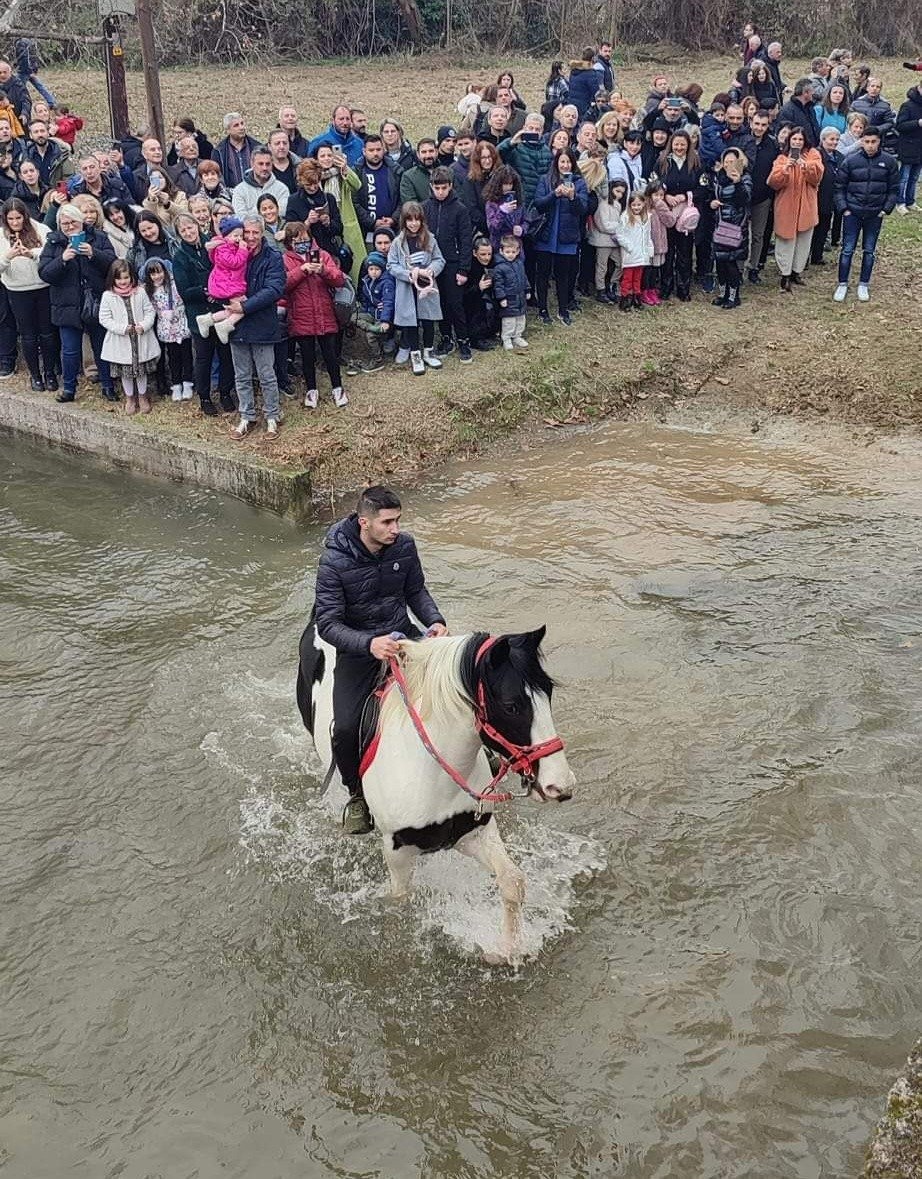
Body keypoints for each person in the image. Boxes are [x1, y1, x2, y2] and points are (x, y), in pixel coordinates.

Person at [311, 484, 447, 834]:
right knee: (343, 728)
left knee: (456, 682)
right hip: (359, 650)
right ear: (364, 523)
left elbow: (416, 590)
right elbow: (327, 623)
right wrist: (369, 643)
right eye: (387, 522)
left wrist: (435, 621)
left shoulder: (405, 546)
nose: (395, 529)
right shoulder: (333, 562)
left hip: (403, 636)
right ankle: (356, 796)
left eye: (398, 520)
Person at [38, 201, 117, 403]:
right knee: (70, 350)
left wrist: (93, 254)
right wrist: (62, 260)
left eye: (73, 222)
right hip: (67, 305)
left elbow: (113, 264)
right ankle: (69, 389)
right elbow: (45, 273)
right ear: (59, 225)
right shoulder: (54, 242)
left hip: (95, 302)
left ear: (81, 221)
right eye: (65, 224)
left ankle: (108, 387)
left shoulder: (98, 237)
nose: (70, 226)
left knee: (102, 348)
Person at [171, 212, 236, 417]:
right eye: (183, 230)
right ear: (179, 234)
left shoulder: (213, 244)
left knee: (226, 354)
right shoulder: (180, 256)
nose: (189, 232)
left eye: (190, 227)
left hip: (221, 308)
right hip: (199, 312)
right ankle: (205, 397)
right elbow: (184, 290)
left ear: (197, 225)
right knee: (203, 357)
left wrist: (220, 291)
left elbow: (225, 269)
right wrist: (205, 291)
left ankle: (225, 392)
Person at [228, 215, 286, 438]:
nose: (250, 237)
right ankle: (247, 416)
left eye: (255, 232)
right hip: (237, 325)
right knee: (241, 374)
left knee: (266, 374)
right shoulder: (233, 253)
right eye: (247, 233)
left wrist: (244, 306)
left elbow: (274, 289)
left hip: (262, 322)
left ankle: (272, 415)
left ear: (262, 233)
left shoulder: (273, 256)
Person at [282, 220, 347, 409]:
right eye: (297, 240)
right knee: (307, 357)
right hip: (301, 316)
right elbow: (283, 285)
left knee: (330, 355)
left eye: (305, 239)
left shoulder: (323, 255)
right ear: (290, 242)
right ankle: (311, 390)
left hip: (324, 313)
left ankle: (338, 387)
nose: (302, 243)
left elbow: (339, 279)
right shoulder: (285, 259)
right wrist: (301, 271)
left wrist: (323, 270)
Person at [832, 125, 900, 302]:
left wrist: (886, 209)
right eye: (866, 141)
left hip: (874, 213)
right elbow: (839, 187)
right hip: (852, 212)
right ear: (861, 141)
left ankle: (864, 283)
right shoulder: (850, 161)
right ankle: (842, 283)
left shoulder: (889, 162)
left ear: (879, 142)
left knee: (869, 250)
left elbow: (894, 188)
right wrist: (844, 209)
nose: (870, 145)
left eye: (873, 142)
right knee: (847, 250)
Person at [0, 196, 54, 390]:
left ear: (25, 216)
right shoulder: (1, 236)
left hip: (42, 287)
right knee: (28, 335)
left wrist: (31, 254)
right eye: (11, 219)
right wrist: (8, 257)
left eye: (18, 218)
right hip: (17, 291)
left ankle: (50, 373)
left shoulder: (40, 229)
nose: (15, 223)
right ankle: (35, 375)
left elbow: (49, 254)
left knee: (47, 333)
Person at [386, 201, 445, 376]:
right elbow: (391, 265)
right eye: (410, 220)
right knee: (410, 323)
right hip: (408, 288)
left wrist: (431, 270)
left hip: (426, 287)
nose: (414, 223)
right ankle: (415, 355)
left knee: (428, 320)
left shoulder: (430, 238)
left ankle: (428, 351)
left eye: (417, 219)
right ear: (404, 221)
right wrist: (407, 274)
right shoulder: (398, 242)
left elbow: (439, 259)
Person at [531, 149, 589, 325]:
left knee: (563, 275)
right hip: (546, 236)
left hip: (567, 236)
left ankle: (563, 310)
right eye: (562, 162)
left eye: (568, 162)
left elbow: (583, 209)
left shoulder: (579, 183)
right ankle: (542, 309)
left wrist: (573, 197)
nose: (565, 165)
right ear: (556, 163)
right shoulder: (545, 180)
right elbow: (538, 204)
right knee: (542, 274)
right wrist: (554, 194)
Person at [424, 166, 473, 362]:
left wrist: (463, 268)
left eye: (444, 188)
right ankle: (446, 338)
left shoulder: (460, 209)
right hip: (433, 264)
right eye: (437, 188)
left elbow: (466, 240)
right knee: (440, 303)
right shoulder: (425, 207)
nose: (441, 192)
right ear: (431, 187)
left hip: (453, 263)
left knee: (455, 304)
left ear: (450, 186)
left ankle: (463, 340)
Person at [99, 259, 160, 414]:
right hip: (122, 339)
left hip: (140, 338)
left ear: (132, 277)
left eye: (126, 278)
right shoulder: (108, 296)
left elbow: (150, 311)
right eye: (119, 279)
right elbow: (104, 318)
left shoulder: (140, 292)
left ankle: (142, 396)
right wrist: (122, 329)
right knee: (125, 373)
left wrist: (144, 325)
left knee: (141, 371)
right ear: (113, 279)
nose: (123, 282)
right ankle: (130, 398)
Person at [767, 125, 823, 291]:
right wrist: (785, 170)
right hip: (786, 206)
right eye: (794, 139)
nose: (797, 142)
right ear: (789, 141)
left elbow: (817, 178)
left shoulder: (813, 155)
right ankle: (784, 274)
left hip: (806, 205)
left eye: (800, 139)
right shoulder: (782, 158)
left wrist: (805, 166)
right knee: (786, 240)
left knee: (804, 240)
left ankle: (796, 271)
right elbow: (773, 182)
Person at [140, 257, 193, 401]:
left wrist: (176, 311)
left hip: (181, 325)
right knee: (173, 358)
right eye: (153, 274)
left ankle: (188, 383)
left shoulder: (174, 285)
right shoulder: (149, 291)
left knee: (186, 356)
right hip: (166, 329)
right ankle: (176, 385)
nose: (157, 276)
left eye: (160, 272)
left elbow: (184, 299)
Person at [708, 150, 752, 309]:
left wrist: (738, 182)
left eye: (732, 162)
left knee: (730, 261)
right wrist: (712, 203)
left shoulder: (745, 177)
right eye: (726, 162)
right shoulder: (719, 177)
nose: (728, 165)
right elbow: (712, 196)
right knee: (720, 259)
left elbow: (745, 199)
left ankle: (734, 295)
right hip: (720, 224)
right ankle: (722, 292)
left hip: (735, 225)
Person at [196, 215, 249, 342]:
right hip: (226, 285)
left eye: (240, 236)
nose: (239, 239)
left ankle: (208, 320)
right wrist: (243, 250)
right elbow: (234, 262)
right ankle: (225, 325)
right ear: (226, 236)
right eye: (235, 235)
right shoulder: (222, 248)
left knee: (233, 309)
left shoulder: (230, 247)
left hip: (229, 283)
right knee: (244, 307)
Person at [746, 109, 778, 283]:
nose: (759, 128)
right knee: (740, 233)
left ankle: (753, 267)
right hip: (742, 196)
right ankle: (737, 264)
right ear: (751, 122)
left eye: (763, 125)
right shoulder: (743, 140)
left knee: (758, 235)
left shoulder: (772, 146)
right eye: (757, 124)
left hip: (762, 197)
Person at [354, 133, 399, 246]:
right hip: (366, 230)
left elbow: (401, 200)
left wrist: (393, 219)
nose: (375, 153)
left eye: (378, 149)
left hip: (393, 229)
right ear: (364, 151)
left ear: (384, 150)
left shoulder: (395, 171)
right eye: (371, 150)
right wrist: (372, 222)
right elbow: (354, 202)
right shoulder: (357, 173)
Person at [614, 190, 653, 311]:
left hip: (641, 254)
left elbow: (648, 236)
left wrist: (649, 249)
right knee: (627, 278)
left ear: (643, 204)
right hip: (630, 254)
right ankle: (625, 298)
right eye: (634, 205)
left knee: (638, 278)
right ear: (630, 205)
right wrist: (629, 247)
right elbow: (619, 235)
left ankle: (637, 297)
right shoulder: (625, 217)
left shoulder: (646, 218)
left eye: (639, 204)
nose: (636, 207)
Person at [356, 249, 395, 368]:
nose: (374, 272)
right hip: (371, 312)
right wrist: (365, 309)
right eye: (371, 269)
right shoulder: (367, 281)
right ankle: (372, 328)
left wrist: (385, 321)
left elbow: (388, 302)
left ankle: (377, 359)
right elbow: (366, 299)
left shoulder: (386, 282)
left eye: (377, 269)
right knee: (353, 317)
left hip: (382, 315)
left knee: (370, 336)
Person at [811, 127, 844, 265]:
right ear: (823, 140)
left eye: (837, 139)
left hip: (831, 198)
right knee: (812, 229)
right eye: (831, 139)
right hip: (816, 197)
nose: (834, 142)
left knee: (824, 227)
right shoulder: (816, 154)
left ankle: (817, 256)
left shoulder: (840, 157)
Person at [232, 146, 290, 219]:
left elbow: (282, 213)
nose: (264, 168)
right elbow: (240, 217)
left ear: (272, 164)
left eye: (268, 164)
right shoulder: (239, 190)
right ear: (252, 164)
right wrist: (269, 209)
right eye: (260, 164)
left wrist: (251, 213)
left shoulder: (282, 189)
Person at [492, 233, 528, 350]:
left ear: (517, 251)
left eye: (513, 252)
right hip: (508, 299)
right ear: (502, 251)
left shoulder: (519, 263)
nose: (511, 255)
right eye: (508, 252)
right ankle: (506, 338)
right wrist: (501, 298)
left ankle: (517, 336)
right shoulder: (499, 267)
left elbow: (524, 277)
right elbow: (498, 285)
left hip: (520, 297)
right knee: (509, 320)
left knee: (520, 318)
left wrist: (527, 289)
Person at [895, 79, 922, 213]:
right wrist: (917, 123)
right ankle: (900, 202)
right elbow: (899, 125)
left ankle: (910, 201)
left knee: (915, 177)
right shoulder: (907, 105)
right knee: (904, 177)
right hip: (908, 146)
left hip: (920, 147)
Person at [212, 114, 260, 188]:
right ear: (228, 130)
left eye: (242, 123)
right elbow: (217, 177)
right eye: (236, 125)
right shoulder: (219, 152)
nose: (241, 127)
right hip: (231, 196)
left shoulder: (257, 147)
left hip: (255, 192)